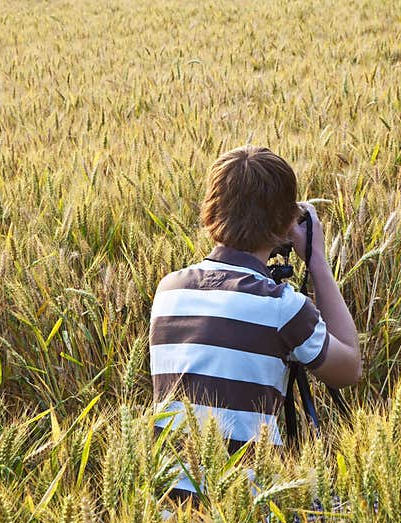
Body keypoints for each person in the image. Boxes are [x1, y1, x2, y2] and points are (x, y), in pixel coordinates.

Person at [149, 145, 362, 502]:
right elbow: (349, 368)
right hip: (250, 515)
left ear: (211, 210)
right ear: (284, 224)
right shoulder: (281, 306)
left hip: (169, 515)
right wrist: (317, 260)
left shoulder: (168, 290)